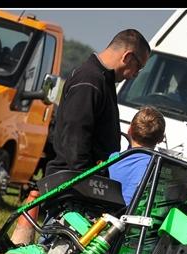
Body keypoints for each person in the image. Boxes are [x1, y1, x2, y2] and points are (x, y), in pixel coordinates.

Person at [45, 29, 150, 177]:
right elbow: (76, 135)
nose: (135, 75)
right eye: (138, 67)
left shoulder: (103, 80)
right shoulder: (89, 80)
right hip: (72, 183)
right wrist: (86, 177)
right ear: (127, 57)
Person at [108, 106, 166, 204]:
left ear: (129, 130)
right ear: (161, 139)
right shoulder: (159, 168)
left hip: (106, 214)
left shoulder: (112, 159)